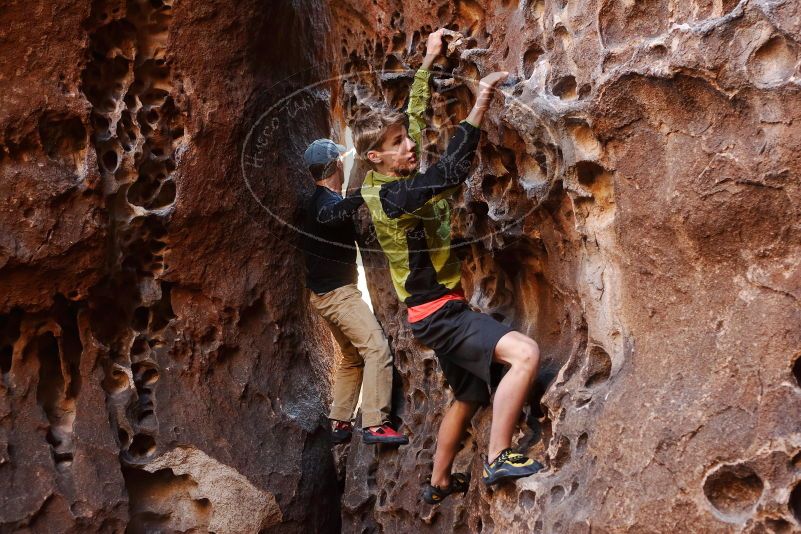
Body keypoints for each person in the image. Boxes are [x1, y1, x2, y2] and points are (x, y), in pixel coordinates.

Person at [352, 28, 543, 503]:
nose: (410, 146)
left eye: (405, 140)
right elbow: (451, 171)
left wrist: (428, 62)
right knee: (524, 355)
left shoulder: (392, 170)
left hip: (432, 311)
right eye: (398, 144)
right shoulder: (394, 197)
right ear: (376, 158)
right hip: (440, 313)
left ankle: (437, 481)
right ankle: (500, 457)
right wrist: (480, 103)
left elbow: (415, 119)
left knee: (469, 395)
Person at [301, 138, 408, 446]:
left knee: (351, 357)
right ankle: (375, 423)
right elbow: (331, 216)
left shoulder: (321, 199)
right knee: (376, 350)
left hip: (324, 296)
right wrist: (363, 192)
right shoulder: (323, 201)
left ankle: (339, 421)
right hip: (338, 296)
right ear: (338, 165)